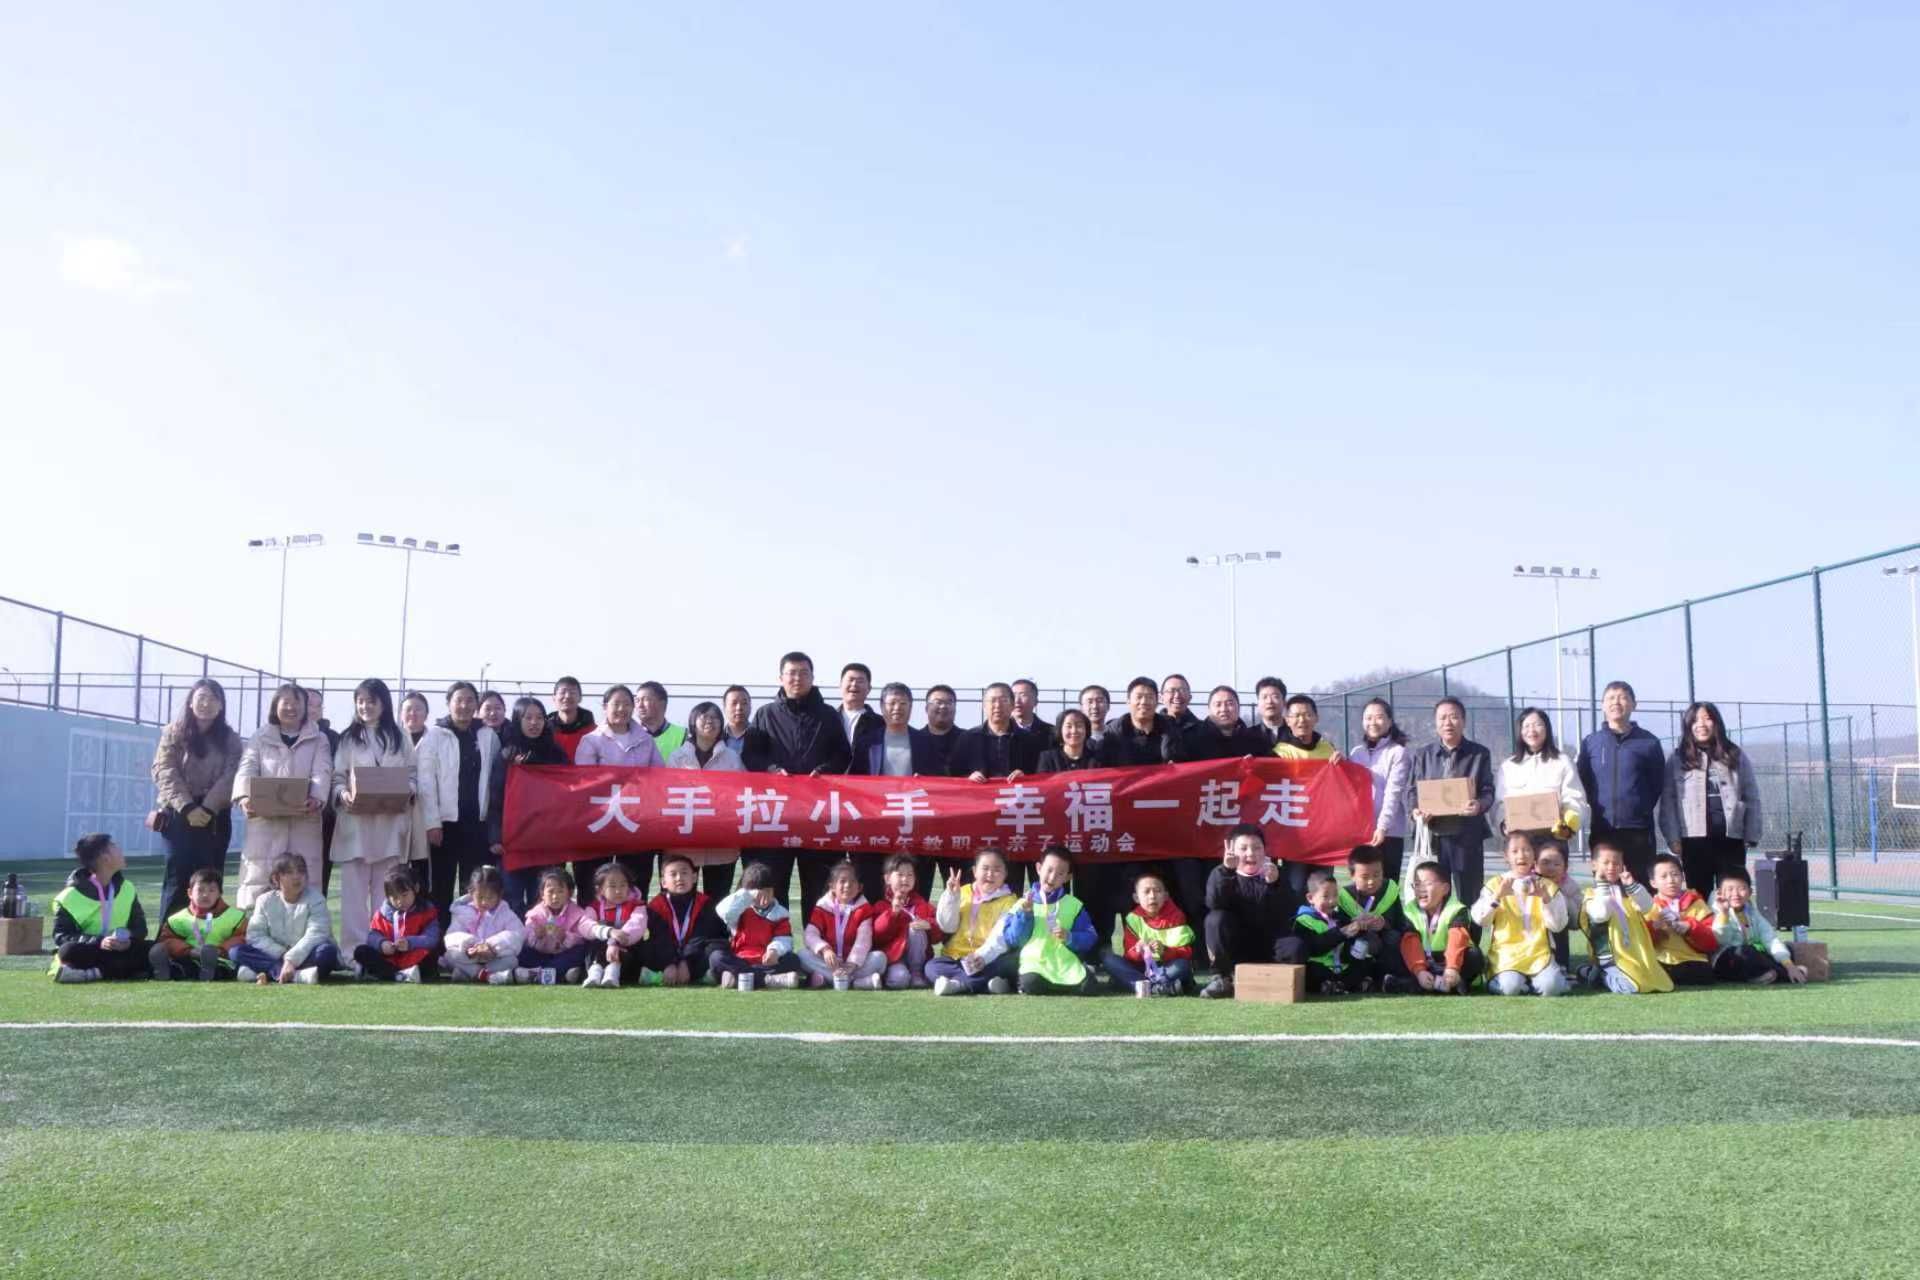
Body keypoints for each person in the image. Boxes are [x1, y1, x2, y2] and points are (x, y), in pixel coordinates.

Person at [741, 651, 852, 914]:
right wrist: (771, 770)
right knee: (772, 884)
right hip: (776, 815)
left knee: (818, 887)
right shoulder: (765, 714)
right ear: (780, 678)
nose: (797, 678)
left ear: (813, 677)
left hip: (818, 814)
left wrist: (824, 771)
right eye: (791, 673)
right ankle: (774, 937)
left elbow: (843, 754)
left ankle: (817, 939)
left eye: (804, 673)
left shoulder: (828, 715)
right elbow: (750, 754)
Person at [330, 678, 417, 958]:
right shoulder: (348, 738)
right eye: (360, 701)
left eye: (371, 701)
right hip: (355, 826)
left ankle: (385, 950)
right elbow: (337, 777)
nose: (365, 706)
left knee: (387, 894)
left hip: (389, 826)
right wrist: (343, 794)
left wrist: (406, 791)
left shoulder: (400, 737)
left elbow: (413, 775)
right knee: (353, 898)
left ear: (384, 703)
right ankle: (353, 953)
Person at [149, 678, 242, 917]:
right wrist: (188, 807)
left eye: (213, 699)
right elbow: (164, 770)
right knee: (177, 877)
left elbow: (232, 774)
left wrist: (208, 808)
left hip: (214, 818)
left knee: (210, 880)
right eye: (201, 697)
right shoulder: (173, 733)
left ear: (221, 705)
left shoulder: (231, 739)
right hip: (178, 814)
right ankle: (168, 936)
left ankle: (209, 935)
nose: (206, 703)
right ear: (190, 702)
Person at [234, 683, 332, 909]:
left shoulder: (319, 738)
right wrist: (244, 797)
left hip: (303, 822)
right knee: (260, 887)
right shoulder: (260, 737)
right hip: (264, 824)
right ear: (275, 706)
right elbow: (246, 768)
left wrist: (316, 797)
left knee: (302, 889)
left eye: (297, 702)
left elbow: (322, 771)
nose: (291, 707)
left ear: (305, 707)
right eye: (285, 702)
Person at [1095, 676, 1180, 940]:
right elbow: (1099, 774)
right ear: (1128, 701)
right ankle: (1126, 947)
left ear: (1158, 700)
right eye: (1139, 697)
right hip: (1124, 823)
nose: (1144, 702)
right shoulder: (1113, 734)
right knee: (1122, 889)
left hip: (1162, 824)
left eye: (1150, 697)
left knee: (1162, 884)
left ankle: (1166, 944)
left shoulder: (1171, 730)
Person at [418, 681, 502, 922]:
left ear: (476, 705)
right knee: (441, 887)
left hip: (478, 824)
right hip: (445, 826)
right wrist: (432, 823)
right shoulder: (434, 736)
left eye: (470, 700)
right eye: (459, 700)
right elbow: (426, 783)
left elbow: (496, 780)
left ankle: (470, 935)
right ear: (448, 704)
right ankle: (440, 937)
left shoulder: (488, 735)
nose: (464, 705)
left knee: (474, 888)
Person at [1659, 701, 1764, 896]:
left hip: (1731, 839)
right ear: (1688, 726)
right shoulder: (1678, 758)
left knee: (1732, 893)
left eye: (1707, 719)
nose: (1701, 724)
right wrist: (1673, 838)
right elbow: (1668, 802)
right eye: (1695, 720)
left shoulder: (1735, 754)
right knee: (1699, 896)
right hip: (1693, 841)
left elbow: (1751, 795)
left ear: (1717, 723)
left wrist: (1752, 833)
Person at [571, 684, 664, 902]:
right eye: (616, 704)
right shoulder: (591, 740)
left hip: (634, 821)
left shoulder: (646, 740)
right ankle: (592, 922)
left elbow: (659, 776)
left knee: (635, 880)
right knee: (593, 882)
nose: (622, 709)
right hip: (599, 820)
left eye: (627, 704)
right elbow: (584, 781)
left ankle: (634, 922)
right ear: (605, 707)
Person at [948, 683, 1043, 893]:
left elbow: (1045, 778)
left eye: (1003, 700)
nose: (997, 705)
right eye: (992, 700)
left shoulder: (1029, 741)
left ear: (1012, 705)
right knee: (980, 884)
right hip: (980, 824)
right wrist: (967, 779)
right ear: (984, 706)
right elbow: (951, 778)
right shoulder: (968, 738)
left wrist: (1028, 778)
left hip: (1017, 823)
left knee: (1012, 885)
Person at [847, 682, 941, 895]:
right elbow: (855, 781)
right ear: (882, 707)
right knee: (873, 886)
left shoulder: (925, 741)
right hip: (876, 825)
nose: (897, 708)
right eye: (892, 703)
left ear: (911, 707)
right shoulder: (867, 742)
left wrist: (925, 782)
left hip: (913, 825)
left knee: (914, 888)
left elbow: (939, 781)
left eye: (903, 703)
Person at [1198, 825, 1305, 999]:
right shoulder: (1221, 873)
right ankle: (1222, 979)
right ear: (1232, 851)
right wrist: (1227, 871)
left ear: (1265, 850)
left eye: (1257, 848)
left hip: (1268, 944)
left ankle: (1279, 982)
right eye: (1243, 848)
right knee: (1215, 919)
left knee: (1295, 946)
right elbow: (1214, 903)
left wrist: (1275, 884)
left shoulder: (1276, 874)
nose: (1250, 853)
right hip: (1236, 945)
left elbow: (1289, 912)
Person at [1409, 698, 1496, 907]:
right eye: (1442, 718)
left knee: (1470, 895)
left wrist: (1479, 805)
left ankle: (1470, 929)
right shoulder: (1423, 755)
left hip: (1467, 835)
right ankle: (1436, 929)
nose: (1448, 722)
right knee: (1434, 895)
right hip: (1433, 836)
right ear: (1435, 722)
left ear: (1463, 721)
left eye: (1454, 717)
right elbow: (1412, 790)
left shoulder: (1479, 754)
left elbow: (1487, 790)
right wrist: (1415, 811)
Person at [1577, 680, 1667, 885]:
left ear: (1634, 704)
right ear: (1602, 705)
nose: (1616, 702)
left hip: (1638, 830)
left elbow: (1656, 783)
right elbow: (1584, 780)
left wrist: (1639, 808)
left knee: (1640, 886)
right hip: (1603, 828)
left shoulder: (1649, 742)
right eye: (1610, 698)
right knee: (1605, 887)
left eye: (1623, 697)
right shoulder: (1591, 742)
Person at [487, 695, 569, 914]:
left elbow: (567, 795)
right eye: (528, 717)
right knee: (511, 899)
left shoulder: (557, 754)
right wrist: (495, 835)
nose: (534, 723)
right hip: (513, 840)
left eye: (540, 717)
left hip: (547, 840)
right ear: (518, 720)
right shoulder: (507, 754)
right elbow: (495, 797)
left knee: (542, 901)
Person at [1470, 831, 1570, 997]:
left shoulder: (1546, 886)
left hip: (1539, 954)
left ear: (1534, 854)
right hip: (1506, 955)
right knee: (1510, 988)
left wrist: (1546, 899)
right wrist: (1497, 897)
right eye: (1515, 851)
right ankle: (1512, 981)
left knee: (1551, 988)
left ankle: (1540, 981)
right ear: (1506, 856)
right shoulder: (1495, 884)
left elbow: (1558, 926)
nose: (1521, 855)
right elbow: (1480, 920)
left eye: (1527, 850)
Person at [665, 701, 746, 899]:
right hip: (684, 842)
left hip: (721, 844)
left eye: (715, 717)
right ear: (693, 722)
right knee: (681, 897)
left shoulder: (732, 758)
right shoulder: (677, 757)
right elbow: (666, 795)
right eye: (704, 716)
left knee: (718, 899)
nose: (710, 721)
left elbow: (742, 794)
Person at [996, 846, 1097, 995]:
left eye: (1060, 873)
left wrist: (1069, 937)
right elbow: (1013, 939)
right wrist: (1025, 914)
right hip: (1034, 962)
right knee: (1030, 982)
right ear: (1038, 868)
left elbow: (1090, 937)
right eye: (1049, 870)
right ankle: (1021, 982)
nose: (1052, 877)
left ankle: (1074, 975)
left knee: (1090, 986)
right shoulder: (1022, 904)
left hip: (1064, 962)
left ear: (1068, 878)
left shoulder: (1074, 905)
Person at [50, 833, 150, 983]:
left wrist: (128, 940)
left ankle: (91, 973)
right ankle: (122, 970)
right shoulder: (69, 897)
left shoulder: (127, 888)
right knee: (68, 951)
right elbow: (61, 936)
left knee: (154, 949)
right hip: (91, 950)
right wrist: (99, 941)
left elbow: (140, 928)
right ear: (105, 858)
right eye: (114, 846)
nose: (120, 850)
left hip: (121, 949)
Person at [1578, 838, 1673, 994]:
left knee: (1658, 982)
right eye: (1606, 863)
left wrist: (1631, 884)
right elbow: (1601, 914)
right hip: (1611, 958)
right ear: (1594, 865)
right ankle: (1597, 974)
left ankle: (1597, 973)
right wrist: (1602, 885)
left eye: (1616, 863)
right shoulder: (1591, 895)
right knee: (1630, 987)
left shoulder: (1628, 894)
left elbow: (1647, 907)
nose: (1611, 867)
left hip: (1636, 954)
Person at [233, 853, 340, 985]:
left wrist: (291, 959)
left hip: (306, 955)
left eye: (301, 871)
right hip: (276, 955)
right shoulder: (264, 900)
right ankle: (296, 976)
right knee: (236, 951)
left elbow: (317, 933)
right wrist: (283, 954)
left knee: (327, 952)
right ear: (276, 878)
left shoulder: (316, 899)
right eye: (289, 872)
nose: (296, 877)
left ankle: (262, 972)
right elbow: (255, 935)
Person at [927, 850, 1021, 996]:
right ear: (975, 871)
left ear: (1005, 874)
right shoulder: (962, 892)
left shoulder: (1010, 901)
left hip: (988, 959)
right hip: (957, 957)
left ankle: (957, 985)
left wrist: (982, 956)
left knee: (1006, 964)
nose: (990, 874)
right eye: (985, 868)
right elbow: (947, 926)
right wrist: (951, 896)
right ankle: (991, 985)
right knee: (931, 967)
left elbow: (1000, 937)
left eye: (997, 870)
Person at [1493, 707, 1589, 839]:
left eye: (1537, 725)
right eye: (1526, 726)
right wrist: (1503, 824)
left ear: (1547, 729)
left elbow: (1575, 798)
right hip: (1519, 839)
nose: (1531, 730)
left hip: (1553, 838)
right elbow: (1499, 803)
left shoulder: (1562, 762)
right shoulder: (1508, 766)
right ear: (1520, 731)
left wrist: (1568, 824)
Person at [1101, 870, 1195, 997]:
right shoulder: (1132, 918)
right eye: (1146, 892)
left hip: (1166, 967)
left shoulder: (1177, 917)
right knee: (1109, 958)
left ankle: (1135, 984)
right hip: (1140, 967)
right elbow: (1129, 955)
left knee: (1182, 966)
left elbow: (1186, 953)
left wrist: (1164, 950)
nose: (1152, 896)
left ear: (1166, 896)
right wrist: (1138, 949)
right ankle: (1158, 987)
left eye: (1157, 891)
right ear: (1136, 898)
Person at [1708, 866, 1808, 985]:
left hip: (1750, 956)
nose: (1735, 894)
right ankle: (1781, 974)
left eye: (1741, 889)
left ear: (1750, 892)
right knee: (1744, 951)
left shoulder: (1752, 912)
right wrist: (1723, 913)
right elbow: (1721, 940)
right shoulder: (1716, 909)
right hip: (1725, 961)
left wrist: (1789, 964)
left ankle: (1771, 974)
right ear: (1720, 892)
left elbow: (1769, 938)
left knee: (1785, 951)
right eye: (1730, 889)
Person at [1348, 698, 1412, 882]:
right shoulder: (1356, 753)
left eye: (1379, 717)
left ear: (1389, 721)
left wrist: (1382, 827)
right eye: (1368, 718)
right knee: (1362, 885)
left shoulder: (1398, 752)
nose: (1373, 722)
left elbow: (1393, 793)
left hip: (1389, 833)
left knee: (1387, 885)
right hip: (1362, 832)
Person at [796, 859, 886, 990]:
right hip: (829, 963)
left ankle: (832, 979)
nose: (847, 885)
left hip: (855, 964)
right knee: (801, 955)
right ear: (832, 886)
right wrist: (825, 950)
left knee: (880, 958)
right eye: (842, 881)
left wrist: (852, 963)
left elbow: (864, 939)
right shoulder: (823, 906)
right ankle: (857, 982)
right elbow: (810, 934)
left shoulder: (864, 909)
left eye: (852, 881)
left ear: (859, 887)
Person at [711, 862, 802, 989]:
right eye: (759, 894)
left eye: (768, 892)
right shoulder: (741, 909)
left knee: (793, 960)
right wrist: (747, 895)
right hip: (741, 959)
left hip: (766, 961)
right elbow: (723, 912)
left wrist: (774, 951)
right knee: (716, 957)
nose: (764, 898)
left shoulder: (780, 913)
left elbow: (784, 939)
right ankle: (767, 980)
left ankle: (739, 978)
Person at [149, 866, 247, 981]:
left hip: (220, 958)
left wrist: (220, 950)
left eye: (211, 890)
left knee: (222, 969)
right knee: (179, 964)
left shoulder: (235, 917)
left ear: (220, 893)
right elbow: (167, 939)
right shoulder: (177, 919)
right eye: (200, 890)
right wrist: (189, 951)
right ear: (190, 893)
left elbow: (243, 937)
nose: (205, 894)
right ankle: (165, 971)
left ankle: (209, 971)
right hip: (189, 957)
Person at [1398, 861, 1483, 994]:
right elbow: (1410, 942)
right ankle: (1431, 984)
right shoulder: (1409, 911)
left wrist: (1452, 968)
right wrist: (1420, 971)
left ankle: (1453, 981)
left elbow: (1457, 939)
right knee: (1395, 948)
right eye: (1417, 884)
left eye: (1427, 884)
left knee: (1474, 955)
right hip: (1423, 962)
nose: (1421, 889)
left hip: (1449, 962)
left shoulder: (1456, 909)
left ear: (1445, 889)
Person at [645, 853, 729, 987]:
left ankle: (696, 974)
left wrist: (686, 962)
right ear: (663, 882)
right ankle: (696, 975)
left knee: (715, 948)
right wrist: (669, 963)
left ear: (694, 877)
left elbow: (701, 936)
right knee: (645, 947)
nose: (679, 878)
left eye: (684, 873)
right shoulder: (656, 906)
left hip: (695, 955)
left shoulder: (706, 903)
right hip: (668, 952)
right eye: (673, 874)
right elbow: (660, 938)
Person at [353, 866, 440, 983]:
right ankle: (398, 975)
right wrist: (382, 944)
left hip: (415, 956)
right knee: (360, 951)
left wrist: (410, 943)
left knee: (433, 953)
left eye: (404, 895)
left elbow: (432, 938)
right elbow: (373, 935)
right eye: (394, 897)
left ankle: (382, 973)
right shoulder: (382, 914)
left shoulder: (427, 911)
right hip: (389, 958)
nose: (400, 901)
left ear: (416, 888)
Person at [442, 864, 525, 985]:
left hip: (494, 958)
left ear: (499, 895)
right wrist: (470, 946)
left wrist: (491, 946)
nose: (484, 902)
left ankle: (469, 974)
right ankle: (486, 975)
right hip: (470, 957)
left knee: (512, 961)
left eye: (490, 897)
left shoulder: (505, 913)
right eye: (480, 897)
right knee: (450, 956)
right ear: (471, 893)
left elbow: (517, 934)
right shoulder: (462, 912)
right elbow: (451, 936)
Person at [1294, 869, 1371, 995]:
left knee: (1366, 962)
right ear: (1310, 898)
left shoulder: (1339, 918)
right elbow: (1315, 947)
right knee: (1311, 971)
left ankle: (1340, 985)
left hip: (1339, 967)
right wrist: (1342, 933)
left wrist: (1360, 928)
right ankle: (1339, 985)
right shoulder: (1303, 920)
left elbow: (1347, 950)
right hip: (1319, 966)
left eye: (1335, 895)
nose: (1332, 901)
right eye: (1325, 896)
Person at [870, 853, 941, 989]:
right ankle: (890, 975)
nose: (905, 879)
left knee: (915, 928)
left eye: (910, 875)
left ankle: (916, 973)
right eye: (900, 874)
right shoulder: (881, 906)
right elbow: (877, 935)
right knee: (899, 980)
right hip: (895, 958)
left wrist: (929, 925)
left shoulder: (922, 904)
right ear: (887, 878)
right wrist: (893, 913)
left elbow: (939, 933)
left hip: (919, 959)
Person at [1646, 853, 1718, 987]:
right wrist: (1655, 928)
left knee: (1705, 974)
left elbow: (1711, 942)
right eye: (1663, 876)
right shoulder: (1649, 906)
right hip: (1663, 960)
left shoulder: (1697, 903)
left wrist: (1690, 927)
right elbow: (1642, 940)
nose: (1671, 880)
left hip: (1693, 960)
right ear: (1653, 883)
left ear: (1683, 877)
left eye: (1675, 874)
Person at [1338, 847, 1406, 986]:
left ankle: (1387, 978)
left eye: (1376, 875)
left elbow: (1400, 923)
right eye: (1365, 877)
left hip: (1385, 943)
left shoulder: (1390, 889)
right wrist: (1353, 925)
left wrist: (1384, 923)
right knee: (1359, 943)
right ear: (1352, 875)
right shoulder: (1344, 896)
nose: (1371, 881)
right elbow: (1339, 928)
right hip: (1357, 945)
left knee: (1393, 937)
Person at [515, 868, 594, 984]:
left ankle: (536, 974)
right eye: (550, 892)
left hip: (564, 954)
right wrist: (536, 936)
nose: (555, 896)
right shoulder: (535, 914)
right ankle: (560, 975)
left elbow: (581, 938)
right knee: (522, 953)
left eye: (560, 891)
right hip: (540, 955)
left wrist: (566, 937)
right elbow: (527, 938)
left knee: (581, 951)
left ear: (569, 893)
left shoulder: (577, 913)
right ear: (542, 894)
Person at [581, 861, 650, 988]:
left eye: (623, 885)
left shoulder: (638, 906)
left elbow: (636, 926)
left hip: (625, 950)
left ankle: (612, 973)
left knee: (635, 951)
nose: (618, 891)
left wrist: (615, 942)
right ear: (600, 889)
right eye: (612, 886)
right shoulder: (594, 907)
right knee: (593, 945)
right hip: (600, 952)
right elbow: (584, 925)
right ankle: (595, 972)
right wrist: (609, 932)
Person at [398, 691, 435, 895]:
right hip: (397, 810)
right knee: (397, 870)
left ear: (426, 714)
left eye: (418, 709)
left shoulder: (436, 739)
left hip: (426, 813)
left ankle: (423, 909)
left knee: (423, 868)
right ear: (401, 713)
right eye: (408, 709)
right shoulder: (393, 739)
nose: (413, 713)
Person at [307, 688, 342, 896]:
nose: (312, 709)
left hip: (324, 818)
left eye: (317, 705)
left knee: (320, 876)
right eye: (308, 704)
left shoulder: (334, 738)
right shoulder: (276, 734)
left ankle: (318, 915)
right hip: (287, 816)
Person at [1178, 686, 1267, 762]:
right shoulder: (1192, 741)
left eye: (1229, 704)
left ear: (1238, 707)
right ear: (1209, 709)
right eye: (1218, 704)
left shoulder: (1255, 741)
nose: (1224, 709)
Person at [1534, 840, 1582, 971]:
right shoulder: (1530, 884)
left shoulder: (1570, 886)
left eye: (1557, 864)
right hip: (1532, 937)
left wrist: (1559, 898)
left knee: (1558, 918)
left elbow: (1577, 922)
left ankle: (1561, 965)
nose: (1551, 868)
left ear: (1565, 867)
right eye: (1545, 863)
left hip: (1558, 932)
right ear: (1536, 865)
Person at [1272, 695, 1339, 760]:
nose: (1302, 720)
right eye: (1296, 716)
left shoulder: (1328, 749)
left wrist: (1340, 762)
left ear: (1317, 718)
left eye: (1308, 715)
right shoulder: (1281, 752)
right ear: (1287, 721)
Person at [548, 676, 597, 762]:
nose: (567, 696)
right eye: (562, 692)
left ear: (580, 698)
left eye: (572, 692)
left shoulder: (594, 732)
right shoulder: (545, 731)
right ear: (554, 698)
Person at [837, 663, 883, 750]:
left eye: (860, 681)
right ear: (840, 685)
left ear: (869, 688)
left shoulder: (880, 724)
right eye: (850, 680)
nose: (854, 684)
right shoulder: (828, 719)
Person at [636, 681, 687, 760]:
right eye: (637, 700)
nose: (640, 705)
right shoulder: (629, 734)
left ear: (662, 703)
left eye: (645, 699)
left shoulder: (683, 735)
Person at [1036, 709, 1098, 773]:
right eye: (1069, 726)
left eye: (1079, 726)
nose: (1074, 731)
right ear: (1060, 730)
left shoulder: (1097, 759)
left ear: (1086, 729)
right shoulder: (1048, 758)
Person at [922, 684, 962, 775]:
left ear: (955, 709)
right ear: (927, 708)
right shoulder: (915, 740)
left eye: (949, 702)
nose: (943, 706)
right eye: (938, 702)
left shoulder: (968, 739)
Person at [1010, 678, 1057, 750]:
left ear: (1035, 701)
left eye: (1023, 695)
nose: (1017, 700)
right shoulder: (1001, 730)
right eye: (1013, 695)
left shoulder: (1051, 733)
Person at [1251, 676, 1292, 749]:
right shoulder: (1247, 736)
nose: (1269, 701)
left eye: (1275, 697)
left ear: (1284, 702)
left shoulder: (1295, 734)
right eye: (1264, 697)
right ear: (1258, 703)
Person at [722, 685, 753, 756]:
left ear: (750, 707)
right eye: (734, 703)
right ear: (724, 707)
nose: (739, 708)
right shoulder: (716, 739)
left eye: (744, 703)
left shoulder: (762, 738)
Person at [1079, 684, 1111, 749]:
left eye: (1099, 701)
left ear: (1108, 706)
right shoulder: (1075, 738)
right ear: (1081, 707)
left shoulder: (1119, 737)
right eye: (1090, 702)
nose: (1095, 706)